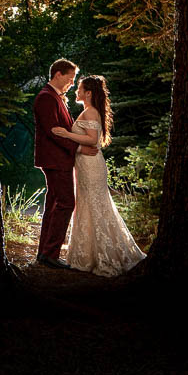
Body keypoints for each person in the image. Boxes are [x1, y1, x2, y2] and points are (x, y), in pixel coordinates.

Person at [51, 75, 146, 276]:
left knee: (95, 205)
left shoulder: (91, 112)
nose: (76, 91)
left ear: (88, 93)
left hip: (91, 165)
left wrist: (67, 134)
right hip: (85, 164)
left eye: (79, 88)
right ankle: (88, 254)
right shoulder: (88, 111)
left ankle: (105, 256)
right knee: (87, 205)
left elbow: (93, 140)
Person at [32, 58, 92, 269]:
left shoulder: (53, 97)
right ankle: (50, 253)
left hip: (58, 159)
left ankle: (45, 252)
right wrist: (78, 149)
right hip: (55, 160)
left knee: (54, 204)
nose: (72, 83)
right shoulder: (46, 98)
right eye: (71, 78)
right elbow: (53, 132)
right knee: (66, 203)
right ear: (58, 74)